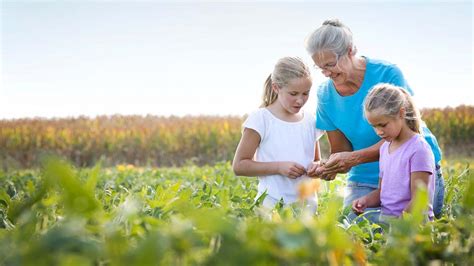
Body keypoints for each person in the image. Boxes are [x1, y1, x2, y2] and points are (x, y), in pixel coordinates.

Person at [304, 18, 444, 219]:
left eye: (330, 64)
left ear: (351, 50)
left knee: (405, 225)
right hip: (365, 178)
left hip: (412, 171)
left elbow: (406, 136)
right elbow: (341, 150)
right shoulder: (325, 95)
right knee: (353, 229)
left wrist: (354, 158)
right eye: (320, 67)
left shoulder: (388, 73)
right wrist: (330, 166)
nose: (326, 73)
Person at [232, 56, 325, 212]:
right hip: (271, 207)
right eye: (293, 93)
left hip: (306, 208)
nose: (300, 101)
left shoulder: (310, 121)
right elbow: (239, 166)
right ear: (276, 88)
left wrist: (316, 168)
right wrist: (279, 167)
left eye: (305, 93)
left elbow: (316, 160)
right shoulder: (261, 119)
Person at [352, 83, 435, 221]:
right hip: (390, 224)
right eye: (374, 126)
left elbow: (419, 200)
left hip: (413, 226)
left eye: (383, 125)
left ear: (401, 113)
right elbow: (382, 192)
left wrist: (399, 227)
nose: (379, 132)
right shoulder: (385, 148)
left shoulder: (418, 149)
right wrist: (366, 200)